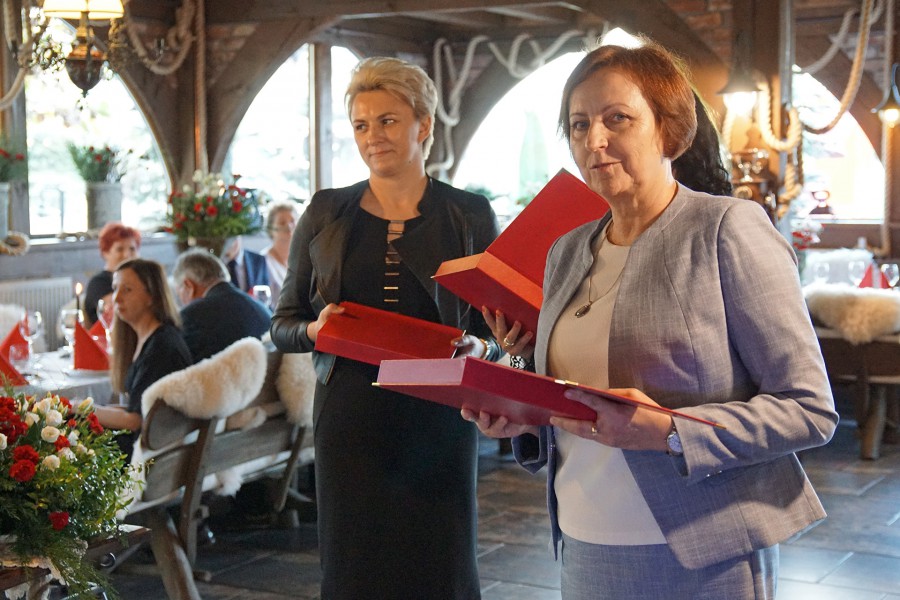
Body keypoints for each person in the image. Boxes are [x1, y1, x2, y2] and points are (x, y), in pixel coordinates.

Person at [463, 41, 838, 599]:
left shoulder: (726, 229)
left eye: (617, 118)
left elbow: (809, 410)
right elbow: (570, 397)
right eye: (579, 124)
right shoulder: (566, 251)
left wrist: (669, 431)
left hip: (701, 549)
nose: (594, 140)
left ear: (670, 130)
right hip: (583, 540)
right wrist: (520, 416)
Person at [271, 56, 500, 599]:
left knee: (442, 567)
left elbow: (503, 336)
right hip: (350, 417)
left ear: (424, 125)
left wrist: (482, 348)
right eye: (361, 124)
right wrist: (316, 330)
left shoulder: (469, 214)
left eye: (388, 120)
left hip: (441, 418)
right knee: (355, 570)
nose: (372, 136)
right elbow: (282, 324)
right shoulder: (326, 212)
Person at [93, 258, 192, 461]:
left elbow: (135, 420)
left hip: (147, 457)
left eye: (127, 290)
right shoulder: (147, 339)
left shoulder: (162, 347)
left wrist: (86, 410)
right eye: (115, 288)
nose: (116, 298)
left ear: (151, 297)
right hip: (148, 446)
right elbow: (136, 409)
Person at [172, 248, 273, 362]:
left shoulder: (191, 316)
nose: (181, 301)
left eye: (178, 293)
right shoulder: (263, 309)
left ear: (188, 286)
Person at [84, 222, 141, 326]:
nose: (127, 255)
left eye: (132, 249)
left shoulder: (139, 279)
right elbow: (117, 313)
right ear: (105, 252)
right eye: (120, 249)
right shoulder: (98, 283)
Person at [260, 201, 299, 307]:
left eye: (292, 221)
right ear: (271, 229)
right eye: (282, 223)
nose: (289, 227)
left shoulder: (302, 260)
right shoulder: (263, 261)